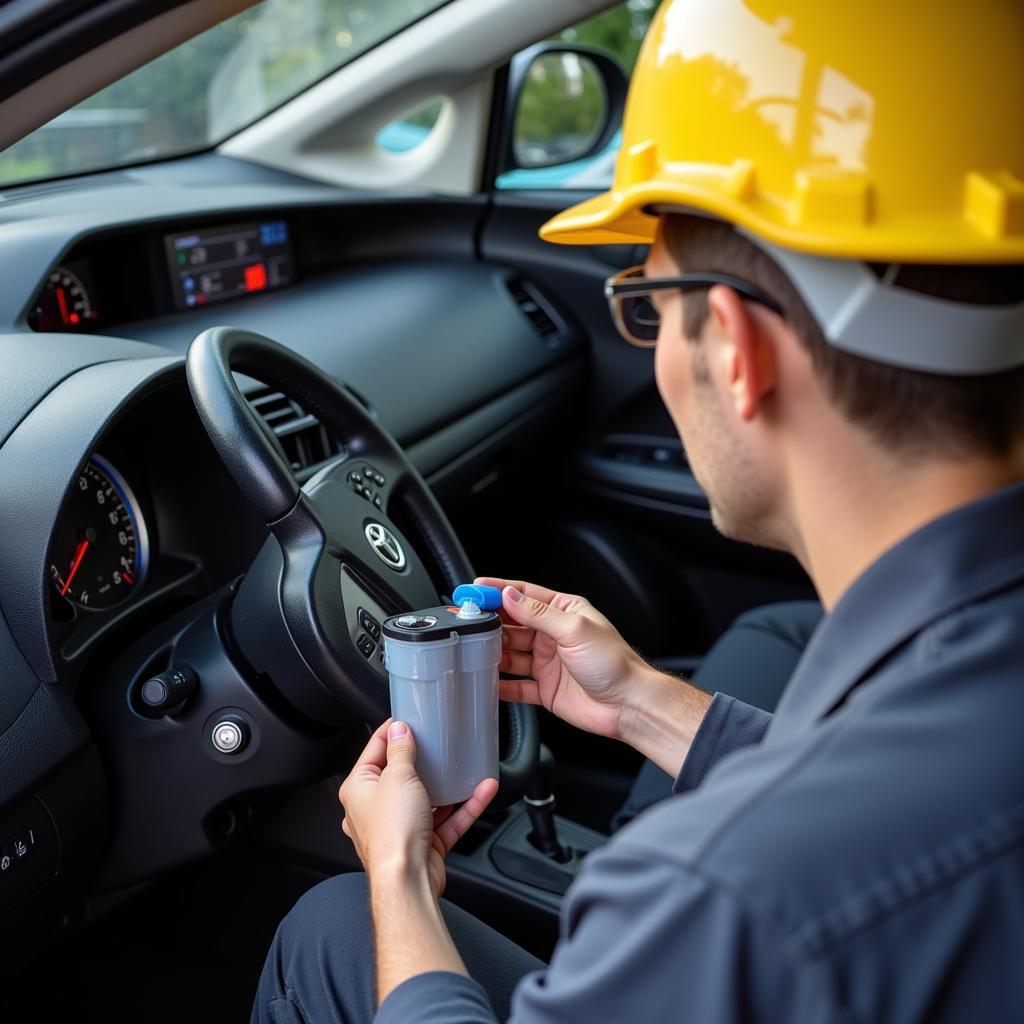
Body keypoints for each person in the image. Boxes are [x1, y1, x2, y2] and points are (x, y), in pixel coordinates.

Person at [252, 1, 1024, 1021]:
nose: (652, 347)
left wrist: (398, 879)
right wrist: (644, 704)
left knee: (329, 928)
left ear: (738, 351)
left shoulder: (720, 896)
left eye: (651, 309)